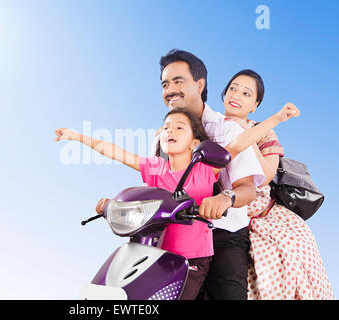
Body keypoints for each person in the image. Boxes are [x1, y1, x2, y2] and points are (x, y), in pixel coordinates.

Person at [56, 105, 299, 300]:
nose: (169, 131)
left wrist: (277, 118)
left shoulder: (204, 169)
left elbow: (240, 143)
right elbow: (114, 152)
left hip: (192, 258)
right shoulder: (155, 168)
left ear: (195, 143)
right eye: (166, 127)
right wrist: (77, 137)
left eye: (179, 128)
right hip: (157, 252)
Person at [156, 49, 264, 300]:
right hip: (175, 239)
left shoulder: (228, 130)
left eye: (178, 81)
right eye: (165, 84)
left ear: (199, 84)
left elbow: (247, 188)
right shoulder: (162, 138)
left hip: (222, 236)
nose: (169, 89)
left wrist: (225, 198)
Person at [219, 69, 334, 299]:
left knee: (297, 258)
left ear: (255, 105)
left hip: (266, 216)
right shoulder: (208, 126)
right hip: (224, 218)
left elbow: (265, 174)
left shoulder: (262, 132)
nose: (236, 95)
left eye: (246, 93)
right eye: (233, 88)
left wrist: (246, 134)